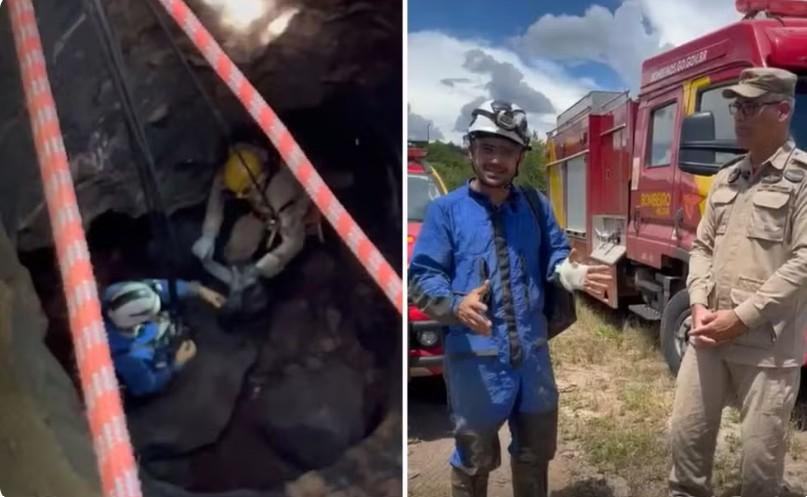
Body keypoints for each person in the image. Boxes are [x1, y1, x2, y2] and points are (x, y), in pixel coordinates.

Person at [408, 99, 612, 497]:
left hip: (533, 360)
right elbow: (421, 277)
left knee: (537, 452)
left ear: (520, 158)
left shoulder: (535, 205)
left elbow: (555, 251)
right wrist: (454, 304)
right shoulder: (444, 212)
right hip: (475, 364)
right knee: (474, 459)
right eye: (487, 148)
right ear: (470, 150)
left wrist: (567, 272)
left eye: (507, 151)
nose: (496, 160)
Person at [670, 67, 807, 497]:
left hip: (767, 347)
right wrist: (696, 305)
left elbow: (804, 261)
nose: (738, 115)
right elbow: (701, 247)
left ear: (782, 110)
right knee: (685, 444)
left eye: (750, 106)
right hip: (708, 336)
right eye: (737, 106)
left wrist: (742, 318)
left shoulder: (803, 179)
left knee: (759, 471)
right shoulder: (728, 178)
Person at [191, 142, 320, 292]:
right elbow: (219, 187)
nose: (240, 197)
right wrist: (209, 234)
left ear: (258, 181)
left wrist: (259, 269)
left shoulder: (279, 197)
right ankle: (235, 279)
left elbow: (294, 242)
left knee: (285, 255)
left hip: (291, 214)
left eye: (245, 192)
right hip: (262, 211)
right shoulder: (239, 163)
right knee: (237, 246)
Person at [103, 278, 225, 397]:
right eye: (151, 316)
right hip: (152, 358)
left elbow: (156, 287)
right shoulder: (128, 359)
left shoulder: (114, 293)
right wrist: (177, 363)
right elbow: (149, 384)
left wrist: (198, 290)